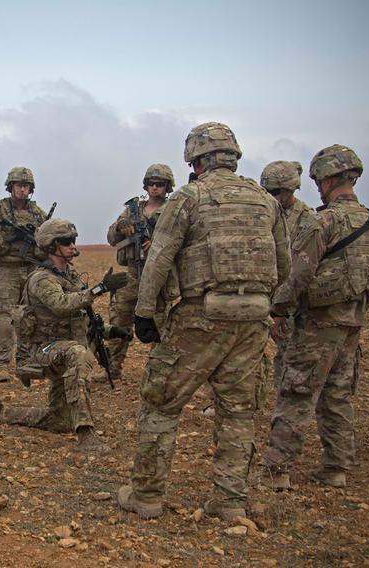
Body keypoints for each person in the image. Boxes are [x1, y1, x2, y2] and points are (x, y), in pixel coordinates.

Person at [117, 122, 289, 522]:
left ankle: (146, 495)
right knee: (238, 410)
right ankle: (230, 503)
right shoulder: (266, 201)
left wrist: (144, 311)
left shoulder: (189, 198)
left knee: (161, 402)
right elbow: (284, 265)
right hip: (253, 319)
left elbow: (159, 257)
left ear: (195, 160)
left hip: (201, 316)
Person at [261, 144, 369, 490]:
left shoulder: (324, 220)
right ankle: (336, 467)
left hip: (318, 323)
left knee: (297, 391)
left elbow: (299, 274)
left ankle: (277, 469)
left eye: (319, 180)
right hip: (352, 322)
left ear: (328, 179)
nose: (316, 186)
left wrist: (278, 308)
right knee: (337, 393)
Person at [0, 219, 130, 453]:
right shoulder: (41, 279)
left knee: (60, 421)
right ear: (51, 246)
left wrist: (111, 331)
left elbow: (79, 316)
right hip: (41, 351)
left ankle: (0, 413)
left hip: (59, 348)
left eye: (73, 240)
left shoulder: (69, 275)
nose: (72, 246)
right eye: (66, 242)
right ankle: (86, 434)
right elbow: (62, 305)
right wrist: (100, 288)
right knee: (79, 354)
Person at [0, 167, 48, 383]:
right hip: (6, 269)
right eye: (18, 185)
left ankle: (26, 361)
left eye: (26, 186)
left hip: (32, 269)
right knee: (5, 318)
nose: (22, 189)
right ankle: (1, 364)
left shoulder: (38, 214)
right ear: (10, 186)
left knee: (29, 318)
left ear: (31, 189)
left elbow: (49, 244)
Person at [102, 163, 174, 382]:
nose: (155, 188)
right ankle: (112, 368)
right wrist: (120, 226)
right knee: (118, 319)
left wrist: (158, 243)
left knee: (161, 324)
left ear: (167, 187)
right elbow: (111, 238)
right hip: (132, 273)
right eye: (151, 183)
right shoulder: (133, 210)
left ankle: (158, 374)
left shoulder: (173, 210)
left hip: (158, 276)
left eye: (160, 184)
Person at [260, 160, 316, 389]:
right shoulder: (263, 213)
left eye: (276, 192)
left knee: (290, 354)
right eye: (267, 192)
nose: (271, 197)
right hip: (264, 294)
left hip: (291, 300)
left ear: (291, 189)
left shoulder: (307, 219)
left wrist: (281, 307)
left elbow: (303, 267)